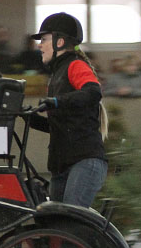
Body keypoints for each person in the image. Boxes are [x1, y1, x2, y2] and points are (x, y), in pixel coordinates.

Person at [29, 13, 108, 208]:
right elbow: (61, 125)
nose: (40, 45)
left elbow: (93, 92)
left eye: (44, 39)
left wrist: (56, 101)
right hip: (61, 164)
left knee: (69, 224)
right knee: (57, 226)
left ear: (60, 42)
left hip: (83, 160)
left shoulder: (75, 66)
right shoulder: (56, 75)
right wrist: (30, 118)